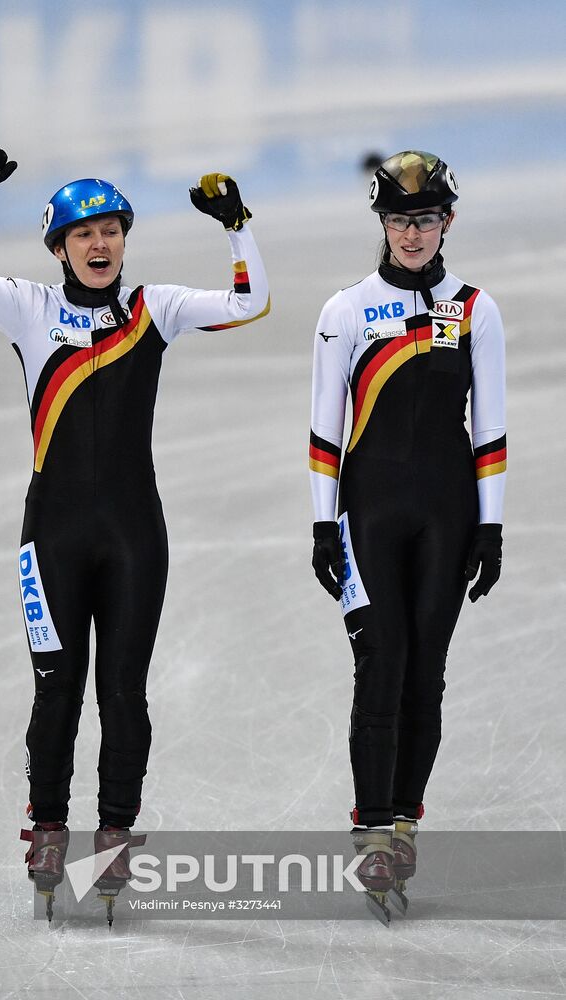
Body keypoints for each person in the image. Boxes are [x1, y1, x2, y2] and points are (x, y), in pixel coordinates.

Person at [0, 145, 270, 896]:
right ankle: (48, 829)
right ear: (59, 248)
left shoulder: (154, 308)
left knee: (124, 693)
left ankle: (114, 830)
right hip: (52, 536)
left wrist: (237, 227)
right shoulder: (28, 307)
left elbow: (249, 303)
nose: (99, 243)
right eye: (83, 234)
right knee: (56, 690)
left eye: (110, 229)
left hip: (136, 534)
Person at [308, 150, 506, 923]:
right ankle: (371, 832)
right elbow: (326, 428)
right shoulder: (346, 310)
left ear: (446, 221)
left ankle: (404, 822)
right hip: (370, 515)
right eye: (399, 220)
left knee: (427, 674)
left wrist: (491, 527)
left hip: (449, 514)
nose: (412, 235)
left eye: (424, 220)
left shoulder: (476, 310)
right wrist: (324, 522)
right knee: (379, 666)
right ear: (382, 225)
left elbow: (488, 429)